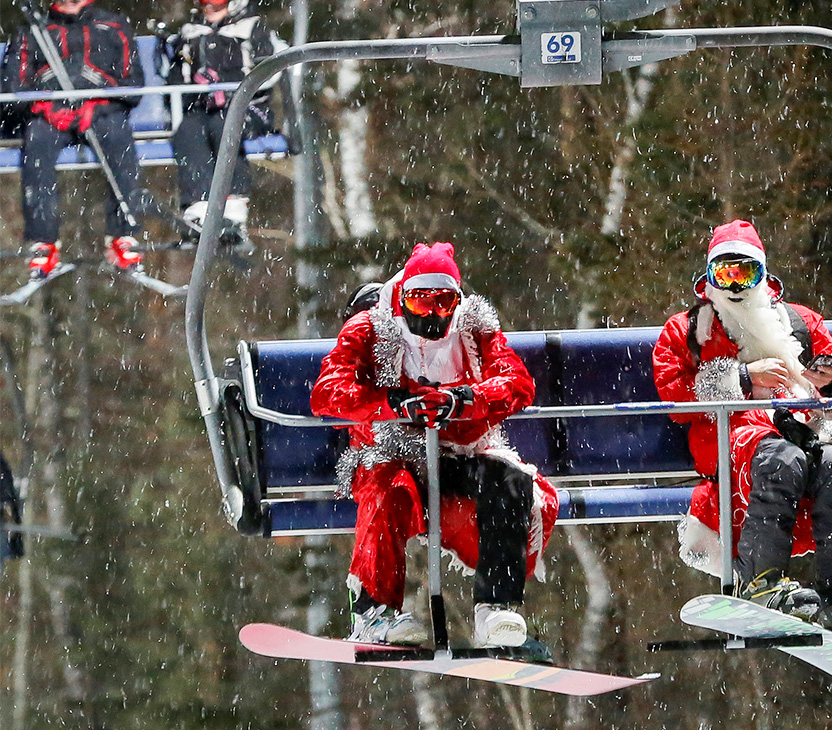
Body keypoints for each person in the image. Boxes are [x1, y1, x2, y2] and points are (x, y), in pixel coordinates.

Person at [652, 219, 832, 636]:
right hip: (732, 433)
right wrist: (741, 378)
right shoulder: (689, 329)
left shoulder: (797, 320)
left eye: (745, 272)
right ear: (709, 277)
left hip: (802, 425)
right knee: (781, 461)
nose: (735, 285)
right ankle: (760, 579)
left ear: (763, 273)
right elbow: (675, 395)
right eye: (725, 273)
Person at [311, 242, 559, 648]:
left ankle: (496, 609)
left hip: (458, 452)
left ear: (457, 302)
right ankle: (373, 610)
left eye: (443, 303)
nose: (432, 314)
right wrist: (392, 404)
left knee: (509, 482)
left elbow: (516, 383)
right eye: (420, 301)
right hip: (390, 451)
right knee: (388, 489)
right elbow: (328, 392)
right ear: (402, 297)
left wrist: (464, 400)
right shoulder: (371, 326)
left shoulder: (474, 331)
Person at [0, 0, 146, 278]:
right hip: (49, 115)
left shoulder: (114, 25)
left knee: (118, 137)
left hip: (102, 112)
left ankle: (123, 234)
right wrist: (44, 107)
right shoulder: (32, 30)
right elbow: (13, 87)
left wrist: (98, 105)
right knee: (37, 142)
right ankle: (43, 241)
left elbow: (133, 84)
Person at [165, 0, 285, 244]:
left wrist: (230, 87)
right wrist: (197, 84)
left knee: (225, 126)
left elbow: (267, 69)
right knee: (188, 129)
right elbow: (176, 74)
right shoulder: (191, 32)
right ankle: (199, 203)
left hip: (248, 108)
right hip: (203, 107)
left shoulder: (251, 28)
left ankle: (233, 203)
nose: (209, 6)